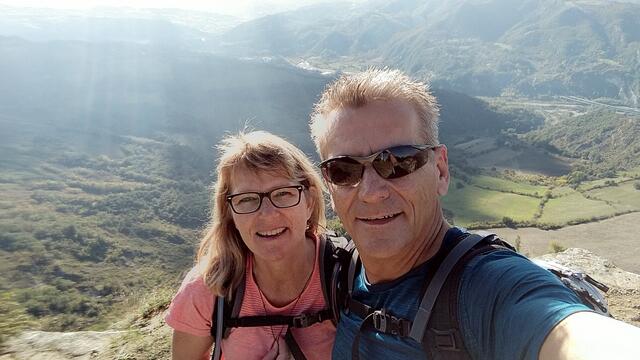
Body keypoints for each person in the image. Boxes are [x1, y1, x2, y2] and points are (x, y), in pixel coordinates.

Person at [308, 68, 640, 359]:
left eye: (397, 162)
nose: (372, 191)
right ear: (329, 186)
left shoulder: (485, 287)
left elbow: (568, 334)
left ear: (440, 170)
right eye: (343, 170)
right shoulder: (342, 274)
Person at [165, 131, 336, 360]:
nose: (267, 214)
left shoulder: (345, 277)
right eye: (246, 199)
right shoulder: (210, 289)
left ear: (310, 201)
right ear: (230, 214)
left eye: (283, 193)